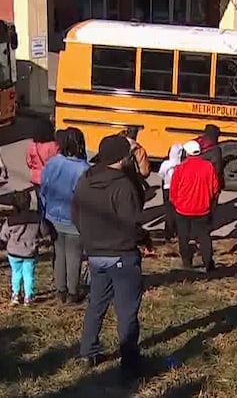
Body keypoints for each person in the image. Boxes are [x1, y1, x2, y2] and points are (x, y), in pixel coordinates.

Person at [73, 134, 145, 377]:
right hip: (122, 256)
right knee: (126, 311)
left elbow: (75, 214)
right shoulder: (124, 185)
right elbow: (132, 222)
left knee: (97, 304)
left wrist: (90, 239)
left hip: (94, 254)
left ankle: (88, 353)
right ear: (121, 158)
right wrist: (143, 240)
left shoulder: (85, 179)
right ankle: (130, 362)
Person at [40, 128, 89, 304]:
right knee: (74, 256)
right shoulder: (84, 169)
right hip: (74, 219)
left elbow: (43, 189)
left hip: (53, 216)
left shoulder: (52, 163)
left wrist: (43, 213)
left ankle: (60, 290)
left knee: (59, 254)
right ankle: (73, 292)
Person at [0, 191, 51, 306]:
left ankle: (15, 295)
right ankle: (28, 296)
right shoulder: (36, 218)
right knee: (29, 274)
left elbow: (3, 236)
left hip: (14, 252)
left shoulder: (11, 221)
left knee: (16, 273)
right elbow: (45, 232)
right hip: (30, 252)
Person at [170, 140, 219, 272]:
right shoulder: (209, 167)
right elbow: (215, 188)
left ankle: (187, 263)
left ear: (186, 153)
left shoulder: (180, 168)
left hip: (183, 209)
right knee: (204, 237)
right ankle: (208, 262)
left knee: (183, 237)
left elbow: (173, 191)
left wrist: (176, 203)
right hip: (203, 209)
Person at [26, 118, 59, 214]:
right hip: (50, 178)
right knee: (50, 202)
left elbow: (29, 162)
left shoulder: (32, 145)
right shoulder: (54, 145)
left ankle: (41, 220)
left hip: (36, 178)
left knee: (40, 201)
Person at [158, 143, 183, 243]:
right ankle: (178, 231)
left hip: (167, 188)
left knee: (168, 211)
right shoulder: (181, 164)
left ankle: (168, 233)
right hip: (179, 189)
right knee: (178, 210)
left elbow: (161, 174)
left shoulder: (166, 164)